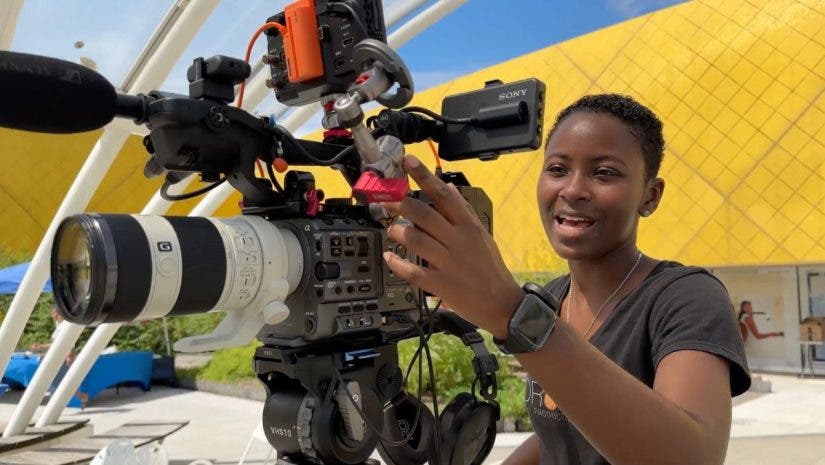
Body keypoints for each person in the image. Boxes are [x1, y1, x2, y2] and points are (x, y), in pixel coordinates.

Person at [381, 94, 750, 465]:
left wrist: (513, 314)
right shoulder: (552, 297)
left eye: (604, 172)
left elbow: (692, 458)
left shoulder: (686, 296)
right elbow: (564, 432)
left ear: (650, 196)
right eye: (557, 169)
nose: (572, 190)